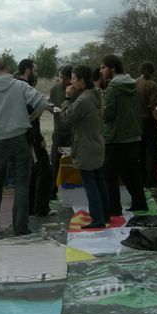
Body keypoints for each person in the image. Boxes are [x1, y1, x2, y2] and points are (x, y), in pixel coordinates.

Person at [0, 58, 47, 236]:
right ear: (7, 69)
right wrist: (31, 117)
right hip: (20, 139)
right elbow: (42, 102)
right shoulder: (19, 86)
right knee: (22, 184)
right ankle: (21, 227)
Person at [60, 65, 108, 229]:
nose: (71, 82)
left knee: (90, 185)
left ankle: (97, 219)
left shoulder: (83, 100)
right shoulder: (95, 94)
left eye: (74, 78)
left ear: (82, 80)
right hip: (96, 143)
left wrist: (67, 98)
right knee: (99, 181)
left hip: (86, 147)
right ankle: (105, 214)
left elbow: (66, 118)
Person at [100, 54, 148, 215]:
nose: (101, 71)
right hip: (133, 135)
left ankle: (114, 209)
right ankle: (140, 204)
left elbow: (108, 115)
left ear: (112, 68)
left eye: (103, 67)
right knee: (131, 173)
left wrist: (100, 108)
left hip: (115, 137)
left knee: (109, 175)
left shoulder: (113, 88)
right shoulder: (132, 84)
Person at [18, 59, 52, 217]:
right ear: (28, 70)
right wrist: (38, 136)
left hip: (26, 136)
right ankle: (40, 208)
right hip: (31, 137)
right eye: (35, 70)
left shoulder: (17, 87)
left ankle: (32, 207)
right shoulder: (24, 87)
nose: (37, 74)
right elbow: (37, 107)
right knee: (44, 171)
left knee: (32, 172)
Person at [135, 61, 157, 187]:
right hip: (149, 122)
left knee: (140, 154)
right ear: (152, 71)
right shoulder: (152, 85)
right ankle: (151, 182)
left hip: (137, 123)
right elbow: (154, 109)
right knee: (153, 153)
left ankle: (141, 181)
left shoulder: (135, 83)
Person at [48, 65, 73, 200]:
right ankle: (52, 190)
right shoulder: (54, 89)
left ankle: (73, 192)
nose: (62, 81)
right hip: (58, 131)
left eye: (65, 78)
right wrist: (51, 109)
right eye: (60, 78)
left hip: (72, 132)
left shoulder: (76, 89)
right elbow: (51, 105)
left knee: (71, 162)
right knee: (55, 162)